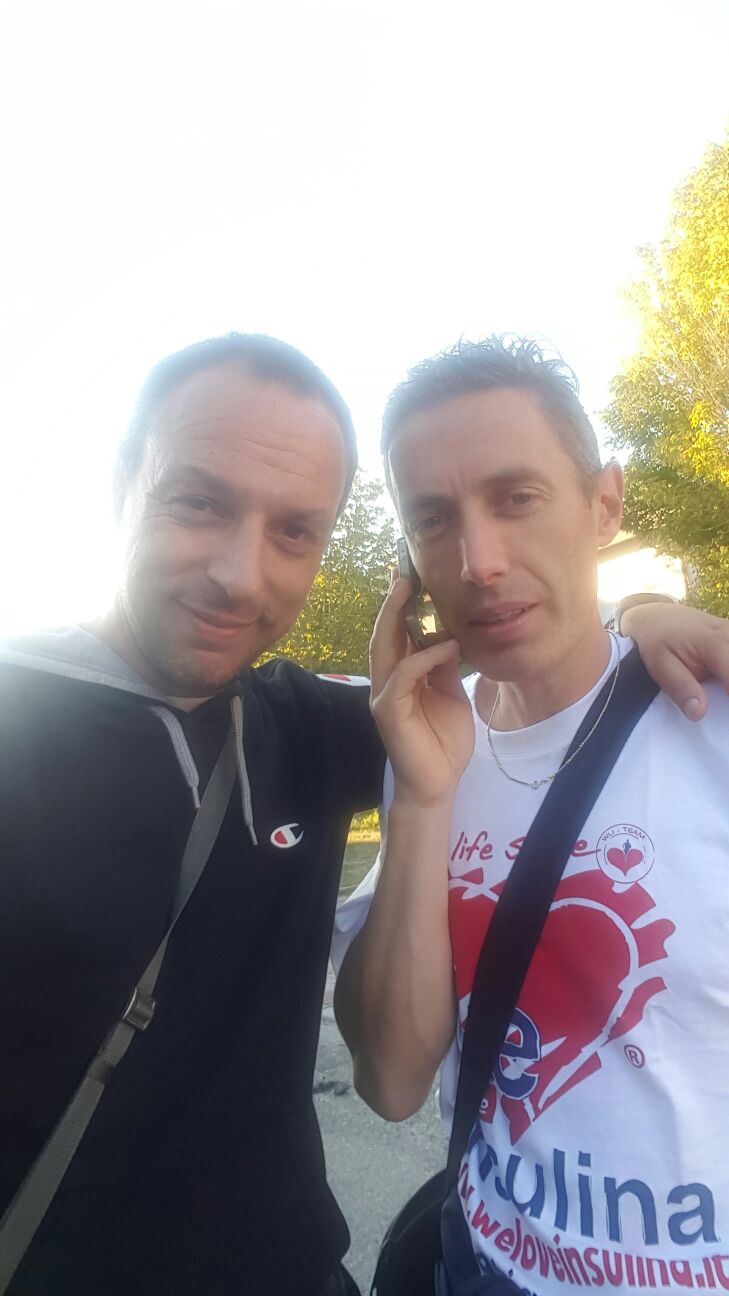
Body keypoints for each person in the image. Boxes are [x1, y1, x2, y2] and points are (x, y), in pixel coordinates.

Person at [334, 337, 729, 1294]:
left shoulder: (709, 715)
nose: (477, 562)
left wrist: (642, 610)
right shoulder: (430, 742)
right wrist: (421, 796)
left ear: (604, 504)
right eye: (433, 519)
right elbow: (391, 1082)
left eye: (516, 497)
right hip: (488, 1266)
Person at [0, 333, 384, 1296]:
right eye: (200, 502)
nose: (240, 577)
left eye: (294, 531)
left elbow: (524, 680)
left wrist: (640, 617)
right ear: (121, 486)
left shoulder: (310, 727)